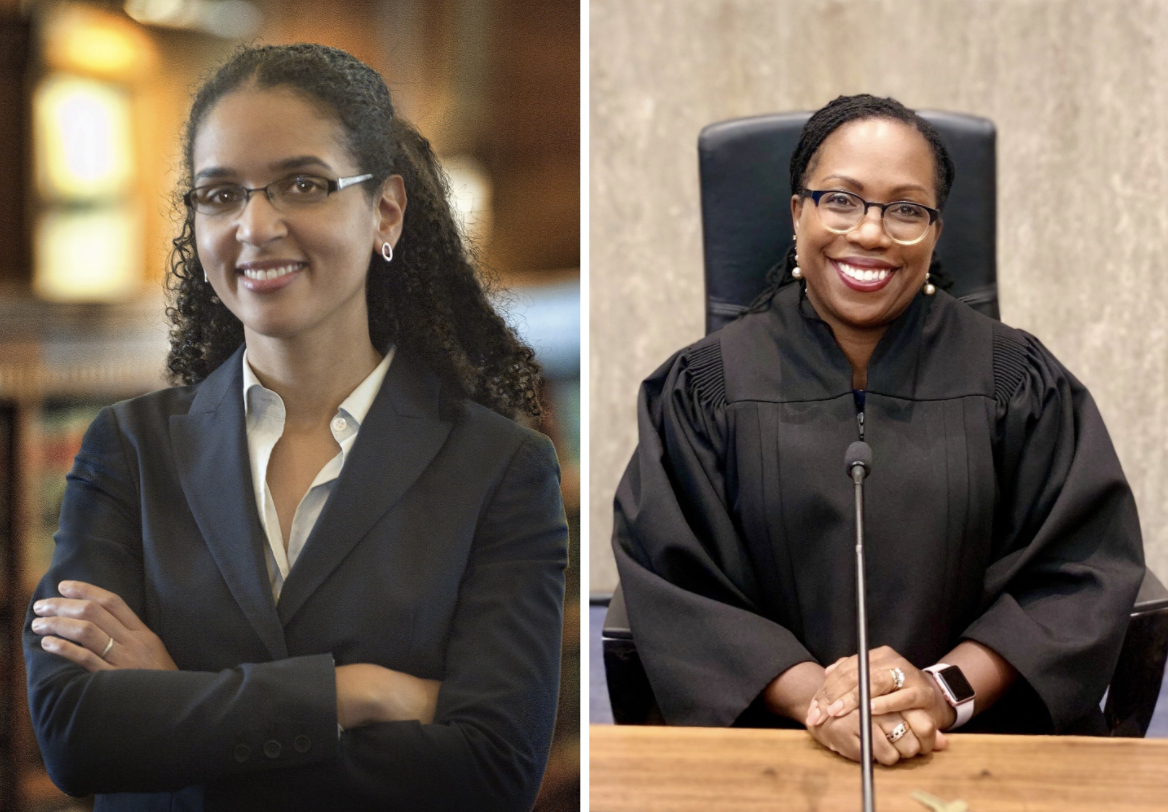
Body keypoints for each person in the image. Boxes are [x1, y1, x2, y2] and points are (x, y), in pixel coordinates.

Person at [25, 43, 568, 810]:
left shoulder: (500, 467)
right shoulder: (128, 450)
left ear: (385, 209)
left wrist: (177, 706)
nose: (254, 225)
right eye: (220, 195)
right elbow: (76, 736)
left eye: (301, 184)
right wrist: (353, 694)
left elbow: (493, 770)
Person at [612, 94, 1144, 765]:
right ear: (797, 211)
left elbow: (1082, 570)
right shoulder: (701, 390)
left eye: (905, 209)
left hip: (978, 744)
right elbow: (675, 582)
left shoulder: (1018, 380)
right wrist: (825, 704)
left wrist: (939, 690)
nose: (870, 232)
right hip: (774, 754)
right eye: (841, 199)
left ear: (935, 230)